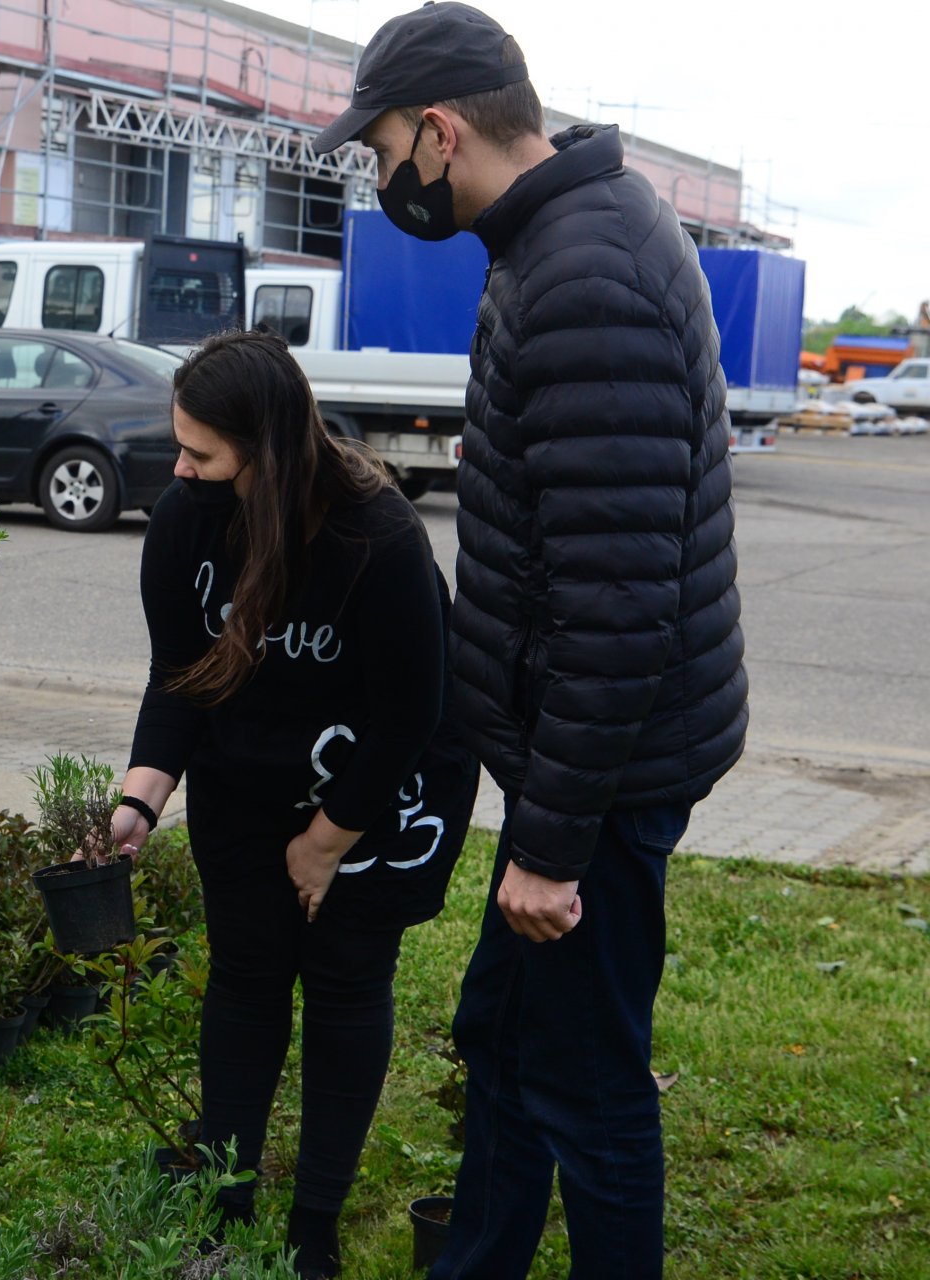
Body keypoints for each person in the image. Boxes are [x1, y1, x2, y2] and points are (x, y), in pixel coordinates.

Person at [313, 5, 748, 1278]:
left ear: (441, 131)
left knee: (586, 1083)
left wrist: (551, 845)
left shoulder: (582, 273)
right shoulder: (556, 236)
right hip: (581, 755)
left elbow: (621, 598)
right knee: (501, 1038)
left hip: (602, 774)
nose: (380, 172)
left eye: (383, 144)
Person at [114, 329, 478, 1277]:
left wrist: (326, 842)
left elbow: (415, 713)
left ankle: (314, 1222)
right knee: (246, 979)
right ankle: (222, 1191)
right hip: (244, 788)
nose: (180, 468)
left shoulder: (376, 536)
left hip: (380, 793)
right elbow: (176, 675)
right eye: (179, 445)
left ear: (265, 449)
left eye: (200, 451)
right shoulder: (187, 518)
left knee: (348, 985)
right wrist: (141, 797)